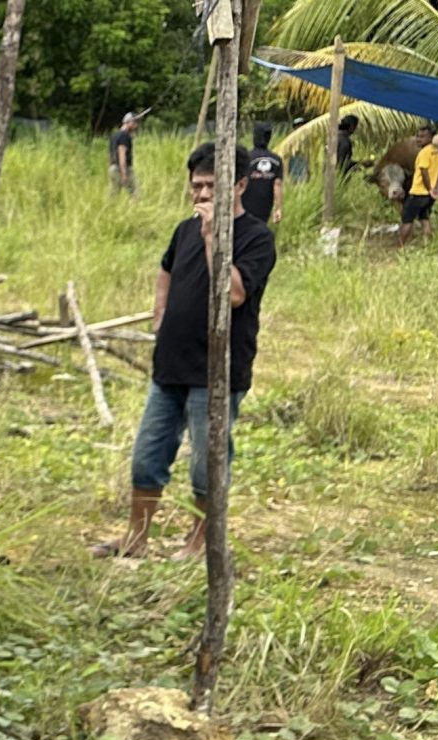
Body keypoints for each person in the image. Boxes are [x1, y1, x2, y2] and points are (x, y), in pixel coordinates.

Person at [97, 143, 276, 559]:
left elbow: (233, 294)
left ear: (241, 185)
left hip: (217, 371)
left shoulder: (256, 238)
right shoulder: (183, 231)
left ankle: (200, 541)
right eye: (197, 186)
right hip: (171, 365)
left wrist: (215, 236)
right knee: (147, 456)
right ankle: (137, 538)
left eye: (213, 186)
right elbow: (166, 267)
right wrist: (160, 311)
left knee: (206, 466)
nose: (202, 195)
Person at [400, 125, 438, 243]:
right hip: (429, 195)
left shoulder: (424, 153)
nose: (419, 139)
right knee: (424, 218)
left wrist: (429, 188)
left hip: (418, 192)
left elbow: (424, 172)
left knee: (407, 220)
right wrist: (435, 189)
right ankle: (427, 244)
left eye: (423, 137)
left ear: (431, 137)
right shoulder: (437, 152)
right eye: (418, 136)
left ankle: (400, 246)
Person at [245, 124, 285, 225]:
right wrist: (278, 208)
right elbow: (277, 185)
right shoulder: (276, 160)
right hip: (265, 206)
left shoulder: (246, 157)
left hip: (245, 205)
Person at [109, 110, 141, 195]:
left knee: (114, 195)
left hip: (113, 168)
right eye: (135, 122)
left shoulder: (115, 135)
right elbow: (121, 155)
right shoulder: (124, 136)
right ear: (128, 122)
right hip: (122, 168)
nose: (136, 125)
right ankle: (134, 208)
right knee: (135, 194)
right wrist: (124, 175)